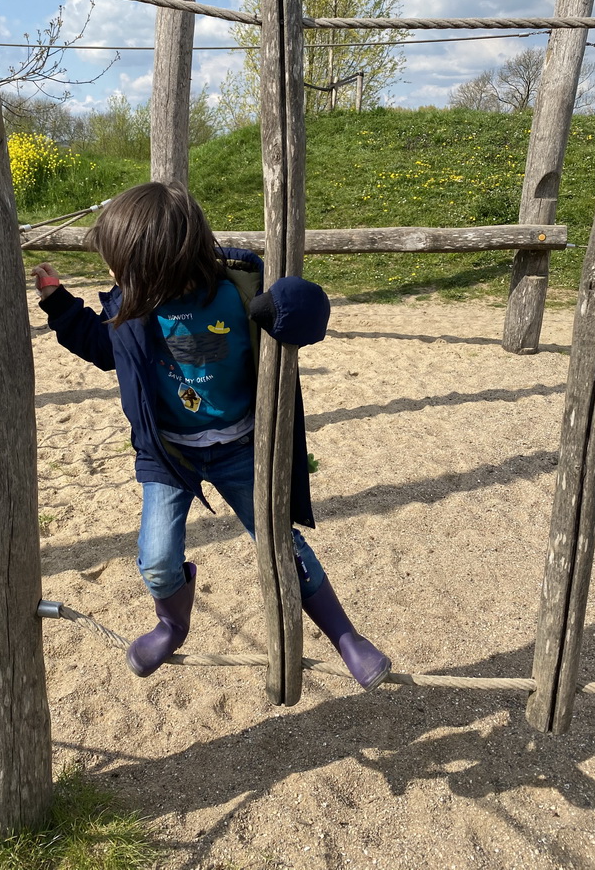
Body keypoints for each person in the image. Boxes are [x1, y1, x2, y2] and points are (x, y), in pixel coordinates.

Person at [32, 180, 390, 691]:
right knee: (157, 559)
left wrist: (296, 307)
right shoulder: (134, 308)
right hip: (170, 455)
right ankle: (172, 624)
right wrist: (60, 305)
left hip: (242, 449)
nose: (113, 273)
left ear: (159, 261)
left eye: (119, 262)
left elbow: (304, 322)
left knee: (281, 545)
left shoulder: (236, 295)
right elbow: (101, 346)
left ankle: (346, 636)